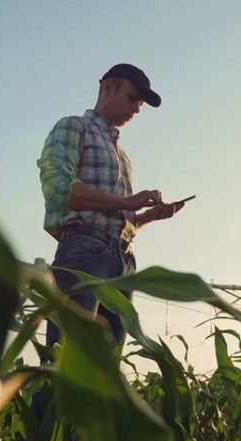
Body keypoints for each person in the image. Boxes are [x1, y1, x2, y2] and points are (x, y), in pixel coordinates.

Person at [37, 63, 185, 350]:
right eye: (132, 98)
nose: (137, 108)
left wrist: (148, 217)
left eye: (141, 104)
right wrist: (127, 202)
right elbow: (58, 189)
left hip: (123, 260)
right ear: (107, 88)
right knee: (68, 355)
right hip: (85, 252)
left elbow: (117, 220)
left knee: (106, 364)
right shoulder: (73, 127)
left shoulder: (123, 156)